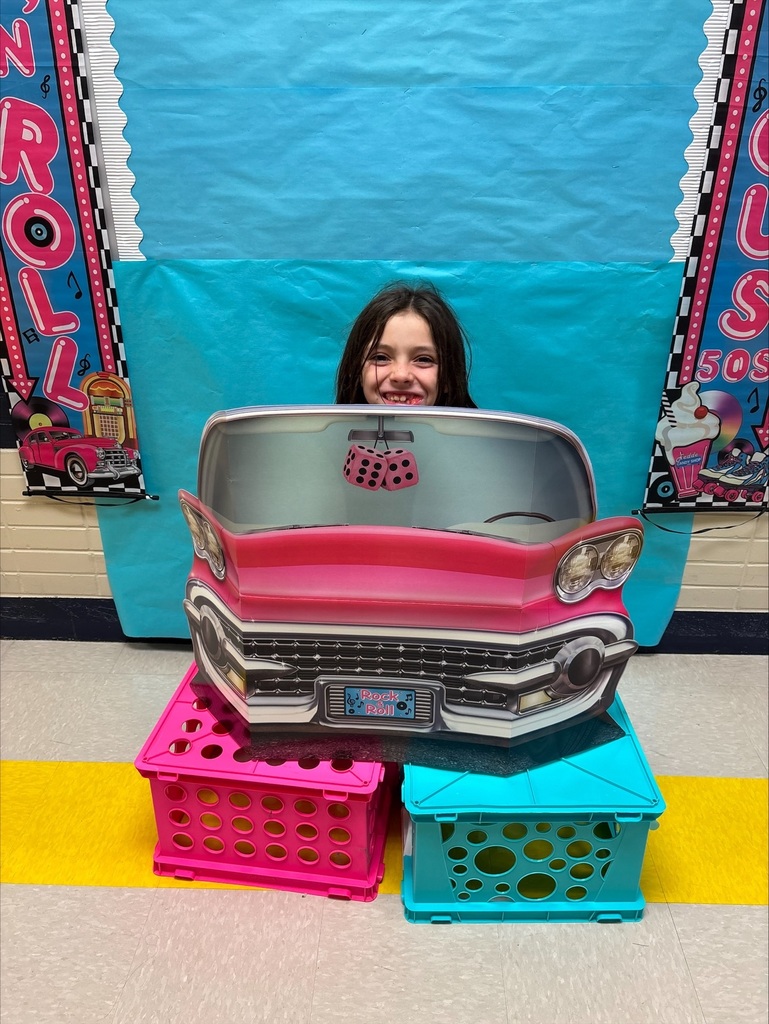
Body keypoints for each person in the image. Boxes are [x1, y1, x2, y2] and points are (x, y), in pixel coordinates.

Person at [335, 282, 477, 407]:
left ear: (449, 378)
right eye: (380, 358)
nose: (401, 375)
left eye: (424, 359)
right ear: (357, 372)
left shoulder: (479, 438)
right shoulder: (326, 438)